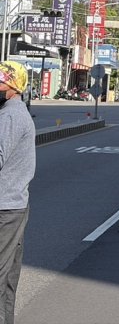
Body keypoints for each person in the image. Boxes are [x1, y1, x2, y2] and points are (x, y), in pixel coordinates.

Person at [0, 61, 35, 324]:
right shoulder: (13, 112)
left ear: (13, 86)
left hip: (5, 209)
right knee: (8, 276)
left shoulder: (10, 116)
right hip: (13, 205)